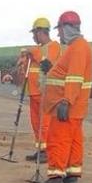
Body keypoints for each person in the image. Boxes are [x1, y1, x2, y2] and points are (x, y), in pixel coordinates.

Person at [36, 11, 92, 183]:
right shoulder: (79, 47)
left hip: (67, 104)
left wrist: (66, 101)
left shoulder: (78, 48)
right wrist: (52, 69)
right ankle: (71, 175)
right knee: (74, 139)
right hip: (74, 105)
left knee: (58, 139)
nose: (58, 34)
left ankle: (55, 176)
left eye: (59, 29)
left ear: (67, 28)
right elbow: (68, 74)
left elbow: (74, 78)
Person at [24, 17, 63, 163]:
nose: (33, 36)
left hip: (45, 92)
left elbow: (48, 65)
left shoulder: (54, 46)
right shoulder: (38, 49)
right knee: (36, 123)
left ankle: (46, 151)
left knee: (45, 123)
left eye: (34, 33)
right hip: (34, 92)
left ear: (40, 31)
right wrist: (24, 60)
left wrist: (35, 53)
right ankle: (40, 149)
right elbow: (32, 70)